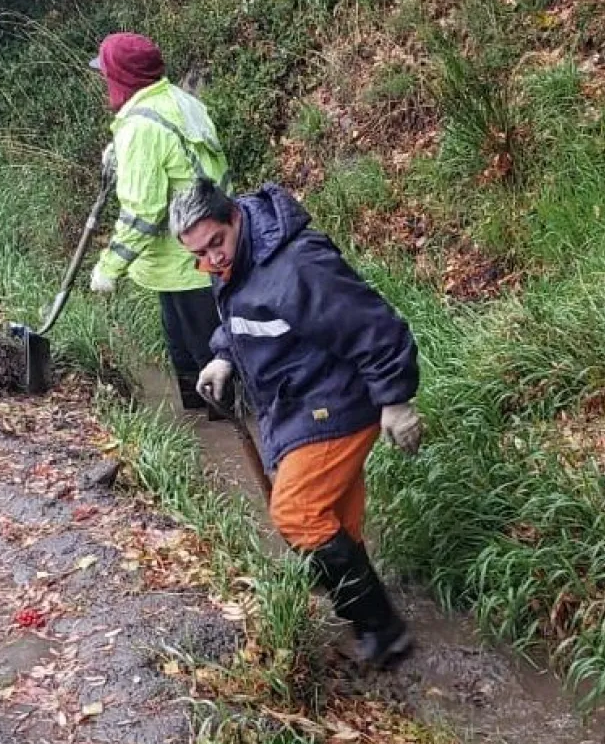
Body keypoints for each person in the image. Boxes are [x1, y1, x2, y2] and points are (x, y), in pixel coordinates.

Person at [169, 178, 422, 666]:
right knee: (336, 523)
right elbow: (242, 313)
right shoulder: (233, 259)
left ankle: (383, 631)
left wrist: (396, 400)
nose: (212, 261)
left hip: (336, 402)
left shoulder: (296, 264)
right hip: (295, 399)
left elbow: (374, 325)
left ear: (234, 217)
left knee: (297, 514)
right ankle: (370, 626)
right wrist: (223, 355)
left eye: (216, 244)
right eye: (199, 255)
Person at [88, 32, 233, 410]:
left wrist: (109, 267)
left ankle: (228, 444)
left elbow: (142, 213)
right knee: (190, 351)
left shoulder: (141, 127)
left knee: (208, 359)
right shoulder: (179, 101)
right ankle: (207, 436)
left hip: (186, 260)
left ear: (121, 78)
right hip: (207, 249)